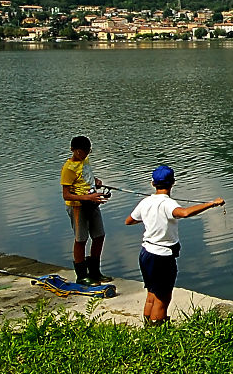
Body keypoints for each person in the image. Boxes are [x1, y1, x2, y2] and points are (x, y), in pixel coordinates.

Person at [126, 165, 224, 325]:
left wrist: (149, 217)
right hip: (162, 256)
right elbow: (184, 213)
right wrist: (212, 203)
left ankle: (148, 325)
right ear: (173, 182)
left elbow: (129, 221)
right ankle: (157, 329)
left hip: (146, 253)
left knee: (151, 293)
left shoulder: (145, 202)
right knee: (162, 297)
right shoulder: (168, 204)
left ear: (152, 183)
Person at [60, 135, 112, 284]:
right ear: (74, 150)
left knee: (99, 236)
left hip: (92, 203)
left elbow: (86, 177)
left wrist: (96, 182)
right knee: (81, 239)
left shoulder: (85, 161)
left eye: (88, 151)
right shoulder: (68, 168)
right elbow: (66, 195)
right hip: (78, 207)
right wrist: (88, 197)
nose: (85, 154)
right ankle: (82, 276)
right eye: (82, 152)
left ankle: (95, 272)